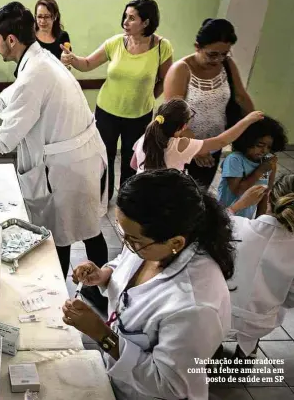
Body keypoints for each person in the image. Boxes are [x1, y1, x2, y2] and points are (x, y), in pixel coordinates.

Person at [0, 2, 109, 311]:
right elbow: (5, 100)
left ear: (11, 40)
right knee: (73, 227)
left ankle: (61, 300)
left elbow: (4, 141)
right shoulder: (35, 61)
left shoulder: (37, 71)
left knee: (68, 232)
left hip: (71, 165)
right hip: (71, 157)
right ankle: (79, 291)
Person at [63, 169, 234, 400]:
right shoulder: (151, 245)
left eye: (133, 240)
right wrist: (103, 275)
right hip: (119, 381)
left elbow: (169, 385)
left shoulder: (196, 306)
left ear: (176, 242)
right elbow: (125, 261)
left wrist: (101, 333)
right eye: (123, 234)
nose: (127, 243)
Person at [61, 0, 173, 201]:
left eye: (132, 18)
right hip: (107, 112)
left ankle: (126, 200)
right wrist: (72, 58)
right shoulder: (115, 43)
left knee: (132, 161)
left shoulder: (161, 47)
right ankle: (102, 197)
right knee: (104, 157)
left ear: (146, 22)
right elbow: (86, 64)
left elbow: (166, 79)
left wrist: (149, 96)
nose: (125, 21)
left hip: (139, 115)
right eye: (125, 16)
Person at [164, 19, 255, 189]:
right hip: (183, 145)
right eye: (212, 54)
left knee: (201, 191)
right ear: (197, 46)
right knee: (178, 194)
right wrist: (197, 148)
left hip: (214, 144)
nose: (219, 59)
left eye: (224, 54)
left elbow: (241, 96)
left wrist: (257, 124)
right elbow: (173, 116)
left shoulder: (227, 65)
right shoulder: (181, 70)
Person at [225, 176, 294, 359]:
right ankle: (246, 354)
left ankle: (210, 351)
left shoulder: (234, 227)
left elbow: (203, 228)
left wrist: (238, 205)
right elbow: (291, 299)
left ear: (269, 195)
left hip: (218, 313)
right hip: (262, 321)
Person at [131, 98, 264, 173]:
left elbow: (134, 165)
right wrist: (247, 120)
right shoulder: (180, 145)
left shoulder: (145, 138)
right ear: (183, 126)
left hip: (141, 192)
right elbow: (221, 141)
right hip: (166, 198)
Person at [217, 116, 287, 218]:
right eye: (260, 145)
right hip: (226, 216)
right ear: (248, 141)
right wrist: (260, 170)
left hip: (246, 220)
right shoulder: (235, 160)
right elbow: (238, 191)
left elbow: (265, 193)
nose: (264, 151)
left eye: (268, 147)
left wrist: (259, 222)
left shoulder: (268, 162)